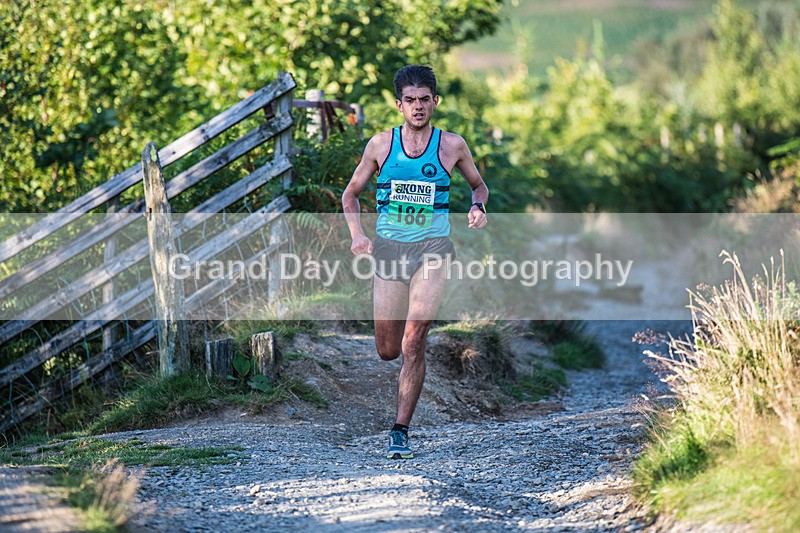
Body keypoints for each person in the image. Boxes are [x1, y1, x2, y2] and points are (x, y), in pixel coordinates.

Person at [342, 65, 488, 459]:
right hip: (389, 250)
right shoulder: (380, 145)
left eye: (425, 99)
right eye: (411, 100)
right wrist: (358, 235)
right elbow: (350, 195)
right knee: (388, 349)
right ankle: (403, 397)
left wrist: (477, 207)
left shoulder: (452, 146)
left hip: (433, 250)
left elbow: (479, 185)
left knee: (413, 340)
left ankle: (400, 430)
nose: (418, 107)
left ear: (435, 101)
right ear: (399, 104)